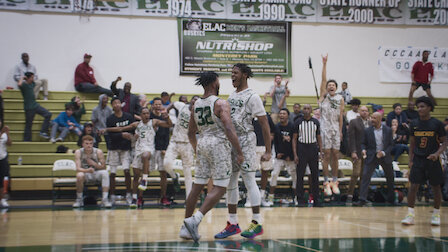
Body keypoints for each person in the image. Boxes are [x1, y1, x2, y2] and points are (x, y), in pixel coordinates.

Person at [181, 71, 243, 243]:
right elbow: (229, 129)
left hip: (202, 143)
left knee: (197, 186)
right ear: (215, 83)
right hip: (218, 144)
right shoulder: (220, 103)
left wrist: (197, 149)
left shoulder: (196, 104)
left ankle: (185, 227)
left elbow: (191, 132)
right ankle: (196, 219)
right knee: (221, 186)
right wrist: (239, 152)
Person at [215, 63, 271, 240]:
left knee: (249, 180)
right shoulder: (231, 96)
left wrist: (268, 150)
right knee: (230, 182)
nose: (232, 75)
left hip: (246, 141)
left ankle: (256, 222)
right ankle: (232, 223)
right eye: (231, 72)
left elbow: (264, 124)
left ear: (245, 75)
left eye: (235, 72)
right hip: (232, 142)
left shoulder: (253, 97)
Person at [107, 107, 173, 208]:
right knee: (136, 176)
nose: (146, 115)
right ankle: (134, 198)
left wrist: (167, 117)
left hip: (149, 149)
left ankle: (145, 180)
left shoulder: (154, 122)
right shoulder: (136, 124)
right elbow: (120, 129)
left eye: (147, 113)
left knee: (146, 155)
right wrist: (106, 129)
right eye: (144, 113)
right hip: (138, 151)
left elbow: (169, 125)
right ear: (140, 116)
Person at [401, 96, 447, 226]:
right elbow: (412, 143)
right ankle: (410, 215)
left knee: (436, 187)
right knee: (413, 186)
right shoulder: (414, 124)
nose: (419, 109)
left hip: (432, 159)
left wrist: (437, 154)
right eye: (418, 107)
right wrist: (410, 160)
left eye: (422, 107)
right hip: (418, 159)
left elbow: (444, 142)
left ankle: (436, 214)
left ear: (429, 108)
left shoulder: (437, 124)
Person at [163, 96, 200, 199]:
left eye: (197, 100)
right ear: (191, 101)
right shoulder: (182, 106)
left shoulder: (198, 115)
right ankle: (175, 177)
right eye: (194, 99)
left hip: (187, 144)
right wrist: (166, 110)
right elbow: (173, 103)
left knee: (187, 172)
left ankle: (188, 199)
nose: (195, 101)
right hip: (174, 141)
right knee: (166, 164)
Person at [318, 54, 344, 196]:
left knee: (336, 154)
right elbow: (323, 80)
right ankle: (326, 181)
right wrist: (324, 64)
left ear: (336, 88)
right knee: (326, 154)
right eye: (329, 85)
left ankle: (335, 181)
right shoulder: (323, 97)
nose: (330, 86)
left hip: (335, 128)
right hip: (325, 128)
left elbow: (341, 116)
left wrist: (340, 131)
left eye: (333, 85)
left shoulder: (340, 99)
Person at [357, 112, 395, 206]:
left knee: (390, 178)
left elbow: (391, 145)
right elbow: (362, 143)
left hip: (384, 156)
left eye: (374, 118)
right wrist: (363, 149)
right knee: (365, 177)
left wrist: (383, 152)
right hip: (371, 156)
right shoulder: (367, 130)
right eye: (371, 118)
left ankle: (391, 199)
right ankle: (362, 199)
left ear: (379, 119)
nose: (372, 120)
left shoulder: (388, 130)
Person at [106, 97, 135, 206]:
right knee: (112, 173)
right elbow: (109, 134)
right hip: (114, 148)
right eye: (114, 103)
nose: (117, 104)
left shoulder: (128, 117)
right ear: (112, 106)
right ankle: (112, 196)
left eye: (118, 102)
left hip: (126, 148)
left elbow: (133, 129)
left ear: (121, 104)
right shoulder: (110, 119)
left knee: (127, 171)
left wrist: (133, 135)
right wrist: (121, 135)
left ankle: (128, 194)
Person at [293, 104, 322, 207]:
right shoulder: (298, 122)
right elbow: (294, 139)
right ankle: (300, 199)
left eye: (308, 108)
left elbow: (319, 137)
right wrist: (295, 154)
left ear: (311, 111)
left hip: (313, 149)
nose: (306, 110)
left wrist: (320, 152)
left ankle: (316, 199)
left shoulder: (316, 122)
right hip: (301, 148)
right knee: (300, 176)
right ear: (302, 110)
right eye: (304, 108)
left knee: (315, 176)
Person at [150, 98, 177, 205]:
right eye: (155, 104)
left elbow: (168, 128)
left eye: (159, 104)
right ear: (152, 105)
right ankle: (139, 196)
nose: (157, 106)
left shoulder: (164, 117)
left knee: (163, 174)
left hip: (162, 149)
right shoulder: (149, 116)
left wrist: (165, 148)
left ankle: (163, 197)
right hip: (150, 148)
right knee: (144, 173)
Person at [267, 108, 297, 205]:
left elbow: (294, 142)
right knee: (274, 174)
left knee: (294, 177)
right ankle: (270, 198)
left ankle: (295, 198)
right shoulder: (276, 127)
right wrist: (278, 153)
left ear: (288, 116)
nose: (282, 115)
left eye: (284, 113)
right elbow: (276, 142)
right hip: (279, 156)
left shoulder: (292, 126)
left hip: (290, 157)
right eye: (280, 114)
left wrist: (290, 155)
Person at [73, 135, 111, 208]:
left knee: (105, 173)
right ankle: (79, 199)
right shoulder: (79, 152)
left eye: (90, 143)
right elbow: (78, 168)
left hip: (96, 172)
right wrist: (87, 170)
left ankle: (105, 199)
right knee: (79, 175)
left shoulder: (98, 152)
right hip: (85, 173)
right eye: (86, 143)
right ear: (83, 144)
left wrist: (94, 164)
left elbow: (104, 167)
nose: (89, 145)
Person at [346, 105, 370, 205]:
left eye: (366, 111)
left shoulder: (370, 123)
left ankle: (362, 197)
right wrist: (353, 151)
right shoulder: (353, 122)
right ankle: (349, 195)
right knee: (356, 173)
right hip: (358, 152)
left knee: (364, 176)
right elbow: (351, 138)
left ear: (368, 112)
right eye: (362, 110)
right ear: (359, 112)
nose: (364, 112)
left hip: (368, 153)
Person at [18, 72, 52, 141]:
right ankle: (27, 140)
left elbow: (37, 82)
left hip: (35, 105)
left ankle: (43, 132)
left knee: (48, 114)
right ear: (27, 78)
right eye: (32, 77)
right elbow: (19, 84)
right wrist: (22, 78)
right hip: (29, 108)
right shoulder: (24, 85)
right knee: (28, 125)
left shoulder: (32, 84)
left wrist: (31, 78)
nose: (33, 79)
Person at [253, 113, 275, 207]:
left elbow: (273, 132)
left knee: (265, 172)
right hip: (252, 147)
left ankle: (262, 196)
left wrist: (268, 146)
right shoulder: (249, 116)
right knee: (251, 173)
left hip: (265, 148)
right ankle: (251, 197)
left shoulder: (267, 116)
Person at [0, 122, 12, 208]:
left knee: (4, 179)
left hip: (3, 159)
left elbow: (10, 144)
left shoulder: (4, 134)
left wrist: (7, 134)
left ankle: (3, 199)